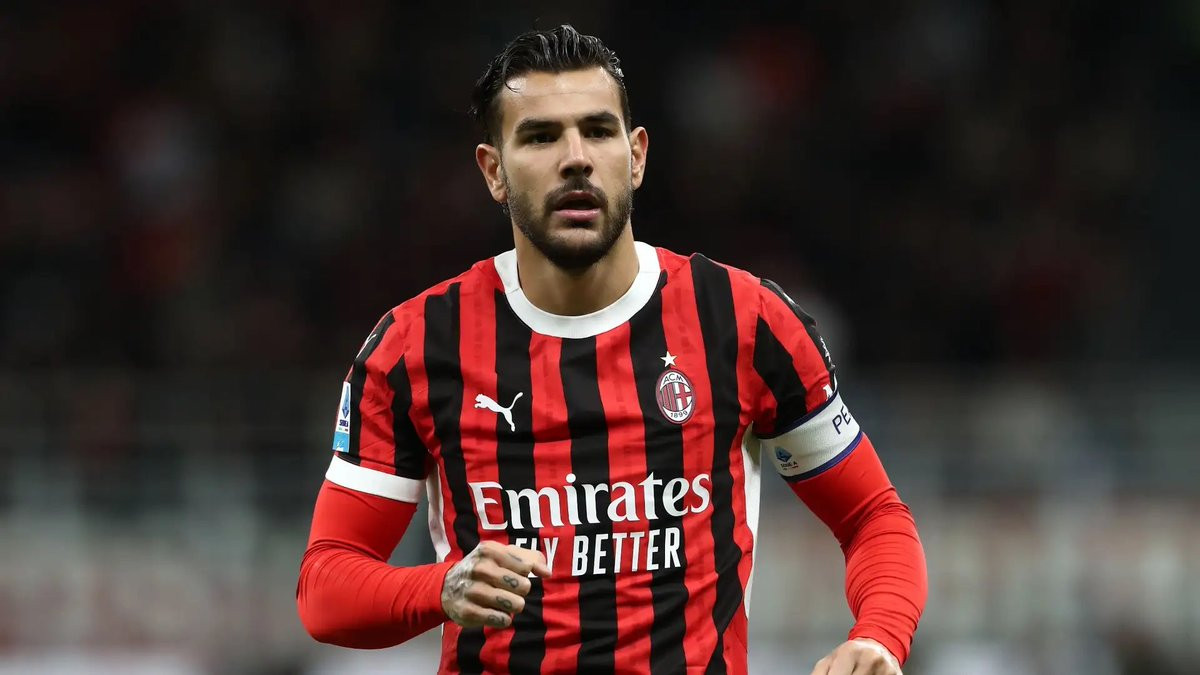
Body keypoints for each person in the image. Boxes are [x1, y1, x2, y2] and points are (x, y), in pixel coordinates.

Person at [297, 24, 926, 675]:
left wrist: (880, 635)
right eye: (540, 137)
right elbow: (324, 588)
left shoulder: (743, 321)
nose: (575, 157)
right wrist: (442, 587)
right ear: (493, 171)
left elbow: (873, 517)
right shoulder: (416, 345)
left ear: (637, 155)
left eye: (597, 131)